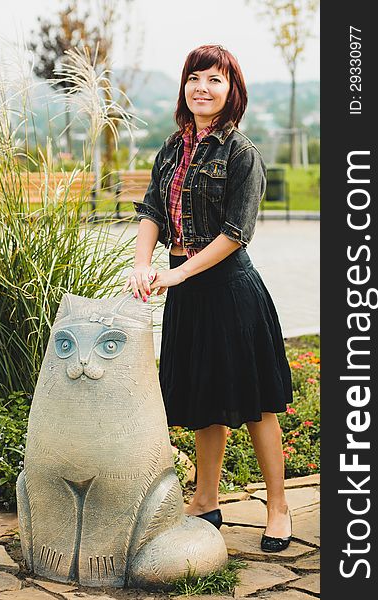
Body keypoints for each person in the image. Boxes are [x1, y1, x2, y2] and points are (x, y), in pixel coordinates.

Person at [122, 44, 293, 552]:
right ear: (185, 87)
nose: (203, 87)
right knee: (203, 399)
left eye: (215, 79)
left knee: (257, 402)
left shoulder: (241, 154)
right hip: (186, 290)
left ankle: (279, 507)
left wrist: (176, 275)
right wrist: (142, 263)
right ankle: (205, 500)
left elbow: (236, 233)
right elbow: (152, 208)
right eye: (196, 77)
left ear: (231, 91)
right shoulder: (172, 149)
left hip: (230, 290)